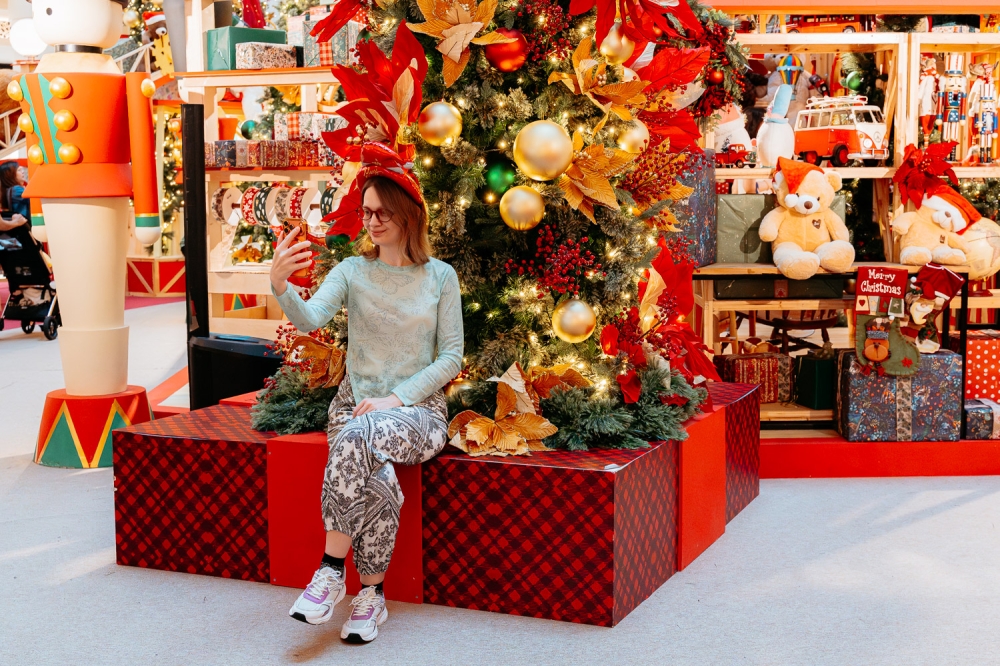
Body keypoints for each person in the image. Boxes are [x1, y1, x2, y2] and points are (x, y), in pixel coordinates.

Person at [269, 149, 463, 644]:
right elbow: (311, 319)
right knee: (376, 477)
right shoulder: (353, 271)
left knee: (360, 435)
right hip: (355, 408)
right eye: (367, 211)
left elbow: (451, 359)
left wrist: (395, 399)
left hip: (417, 412)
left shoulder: (441, 276)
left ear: (408, 213)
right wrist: (279, 285)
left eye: (382, 212)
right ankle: (370, 597)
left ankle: (331, 569)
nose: (371, 221)